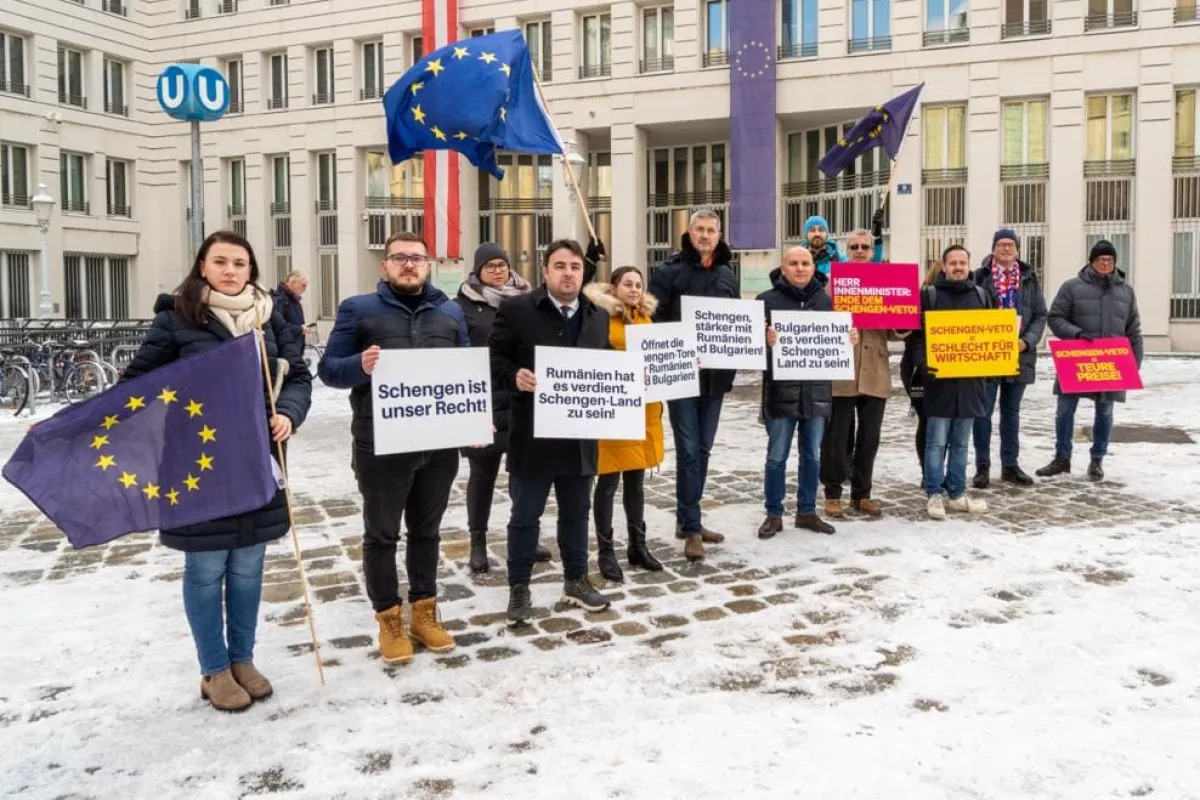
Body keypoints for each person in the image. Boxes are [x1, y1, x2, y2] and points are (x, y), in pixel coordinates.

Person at [121, 230, 312, 712]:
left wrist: (287, 411)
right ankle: (214, 669)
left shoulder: (270, 318)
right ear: (202, 267)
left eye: (240, 263)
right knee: (206, 567)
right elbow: (135, 387)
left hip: (256, 460)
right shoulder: (176, 319)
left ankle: (243, 659)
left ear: (251, 271)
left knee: (249, 566)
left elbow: (299, 374)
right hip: (197, 466)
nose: (231, 271)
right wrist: (72, 423)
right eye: (220, 262)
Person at [318, 231, 467, 666]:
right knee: (382, 534)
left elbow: (464, 372)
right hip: (381, 445)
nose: (409, 264)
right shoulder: (357, 309)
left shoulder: (450, 311)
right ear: (384, 266)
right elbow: (329, 369)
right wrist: (359, 366)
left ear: (429, 265)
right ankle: (388, 617)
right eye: (399, 257)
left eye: (417, 258)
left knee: (428, 531)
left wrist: (473, 417)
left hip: (438, 446)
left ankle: (424, 611)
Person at [489, 239, 614, 625]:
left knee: (577, 513)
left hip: (579, 437)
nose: (568, 273)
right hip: (534, 436)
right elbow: (494, 358)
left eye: (575, 266)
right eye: (559, 266)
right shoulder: (517, 310)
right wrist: (514, 377)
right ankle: (519, 586)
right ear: (545, 271)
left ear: (583, 271)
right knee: (525, 515)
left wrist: (630, 379)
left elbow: (605, 362)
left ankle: (576, 579)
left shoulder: (597, 315)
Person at [648, 210, 739, 562]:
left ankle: (688, 518)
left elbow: (733, 323)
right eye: (699, 229)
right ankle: (691, 527)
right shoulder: (669, 272)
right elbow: (652, 318)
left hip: (716, 377)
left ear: (719, 234)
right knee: (688, 450)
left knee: (702, 451)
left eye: (711, 230)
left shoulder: (727, 274)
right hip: (681, 375)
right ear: (689, 232)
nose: (705, 235)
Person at [454, 242, 549, 573]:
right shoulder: (462, 306)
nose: (497, 270)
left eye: (502, 264)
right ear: (477, 271)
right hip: (483, 401)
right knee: (483, 474)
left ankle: (523, 534)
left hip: (523, 397)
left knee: (523, 474)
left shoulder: (529, 300)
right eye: (490, 265)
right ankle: (477, 542)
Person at [758, 246, 852, 537]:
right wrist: (764, 340)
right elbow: (750, 352)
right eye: (794, 264)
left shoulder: (827, 302)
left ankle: (807, 512)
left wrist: (849, 337)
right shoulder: (765, 302)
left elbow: (835, 346)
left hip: (816, 393)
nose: (800, 268)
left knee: (812, 456)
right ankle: (774, 513)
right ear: (783, 269)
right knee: (777, 457)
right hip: (780, 391)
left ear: (814, 267)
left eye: (805, 263)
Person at [583, 266, 666, 581]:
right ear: (613, 287)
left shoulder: (646, 318)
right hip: (613, 410)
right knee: (607, 483)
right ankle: (606, 551)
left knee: (636, 480)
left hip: (644, 411)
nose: (634, 289)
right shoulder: (600, 318)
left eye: (638, 284)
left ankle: (637, 546)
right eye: (627, 284)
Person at [1037, 239, 1143, 481]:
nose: (1105, 264)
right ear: (1091, 262)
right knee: (1065, 411)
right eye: (1101, 259)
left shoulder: (1126, 291)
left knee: (1104, 413)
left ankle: (1097, 460)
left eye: (1110, 260)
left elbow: (1133, 330)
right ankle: (1062, 457)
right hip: (1076, 359)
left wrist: (1133, 365)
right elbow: (1055, 318)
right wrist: (1075, 333)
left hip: (1111, 363)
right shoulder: (1072, 287)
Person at [911, 244, 990, 520]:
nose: (958, 267)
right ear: (943, 266)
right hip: (939, 381)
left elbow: (992, 334)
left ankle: (956, 493)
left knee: (960, 443)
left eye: (963, 263)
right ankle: (934, 493)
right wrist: (923, 364)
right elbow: (918, 337)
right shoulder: (929, 296)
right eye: (953, 263)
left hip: (970, 383)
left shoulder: (982, 295)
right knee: (936, 442)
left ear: (969, 266)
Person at [821, 226, 892, 518]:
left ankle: (862, 493)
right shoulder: (830, 283)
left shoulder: (887, 281)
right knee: (837, 436)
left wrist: (900, 318)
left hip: (875, 369)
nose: (860, 251)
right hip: (841, 369)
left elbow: (898, 330)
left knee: (869, 437)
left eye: (865, 246)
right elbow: (819, 320)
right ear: (846, 251)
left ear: (872, 251)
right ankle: (833, 493)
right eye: (854, 247)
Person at [969, 228, 1048, 489]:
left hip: (1019, 354)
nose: (1005, 249)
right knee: (983, 412)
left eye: (1010, 245)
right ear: (993, 249)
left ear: (1017, 250)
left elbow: (1040, 315)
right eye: (1001, 244)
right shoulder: (979, 277)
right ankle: (983, 466)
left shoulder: (1029, 278)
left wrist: (1027, 341)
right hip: (987, 354)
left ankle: (1010, 465)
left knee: (1011, 412)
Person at [899, 261, 943, 480]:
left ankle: (933, 471)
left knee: (938, 420)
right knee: (926, 418)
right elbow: (905, 332)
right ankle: (929, 472)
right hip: (917, 371)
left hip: (937, 368)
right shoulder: (919, 298)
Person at [271, 271, 315, 342]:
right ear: (292, 282)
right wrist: (300, 329)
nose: (305, 289)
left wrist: (301, 329)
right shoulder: (280, 300)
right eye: (303, 285)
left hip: (293, 347)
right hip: (284, 347)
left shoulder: (293, 299)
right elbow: (278, 326)